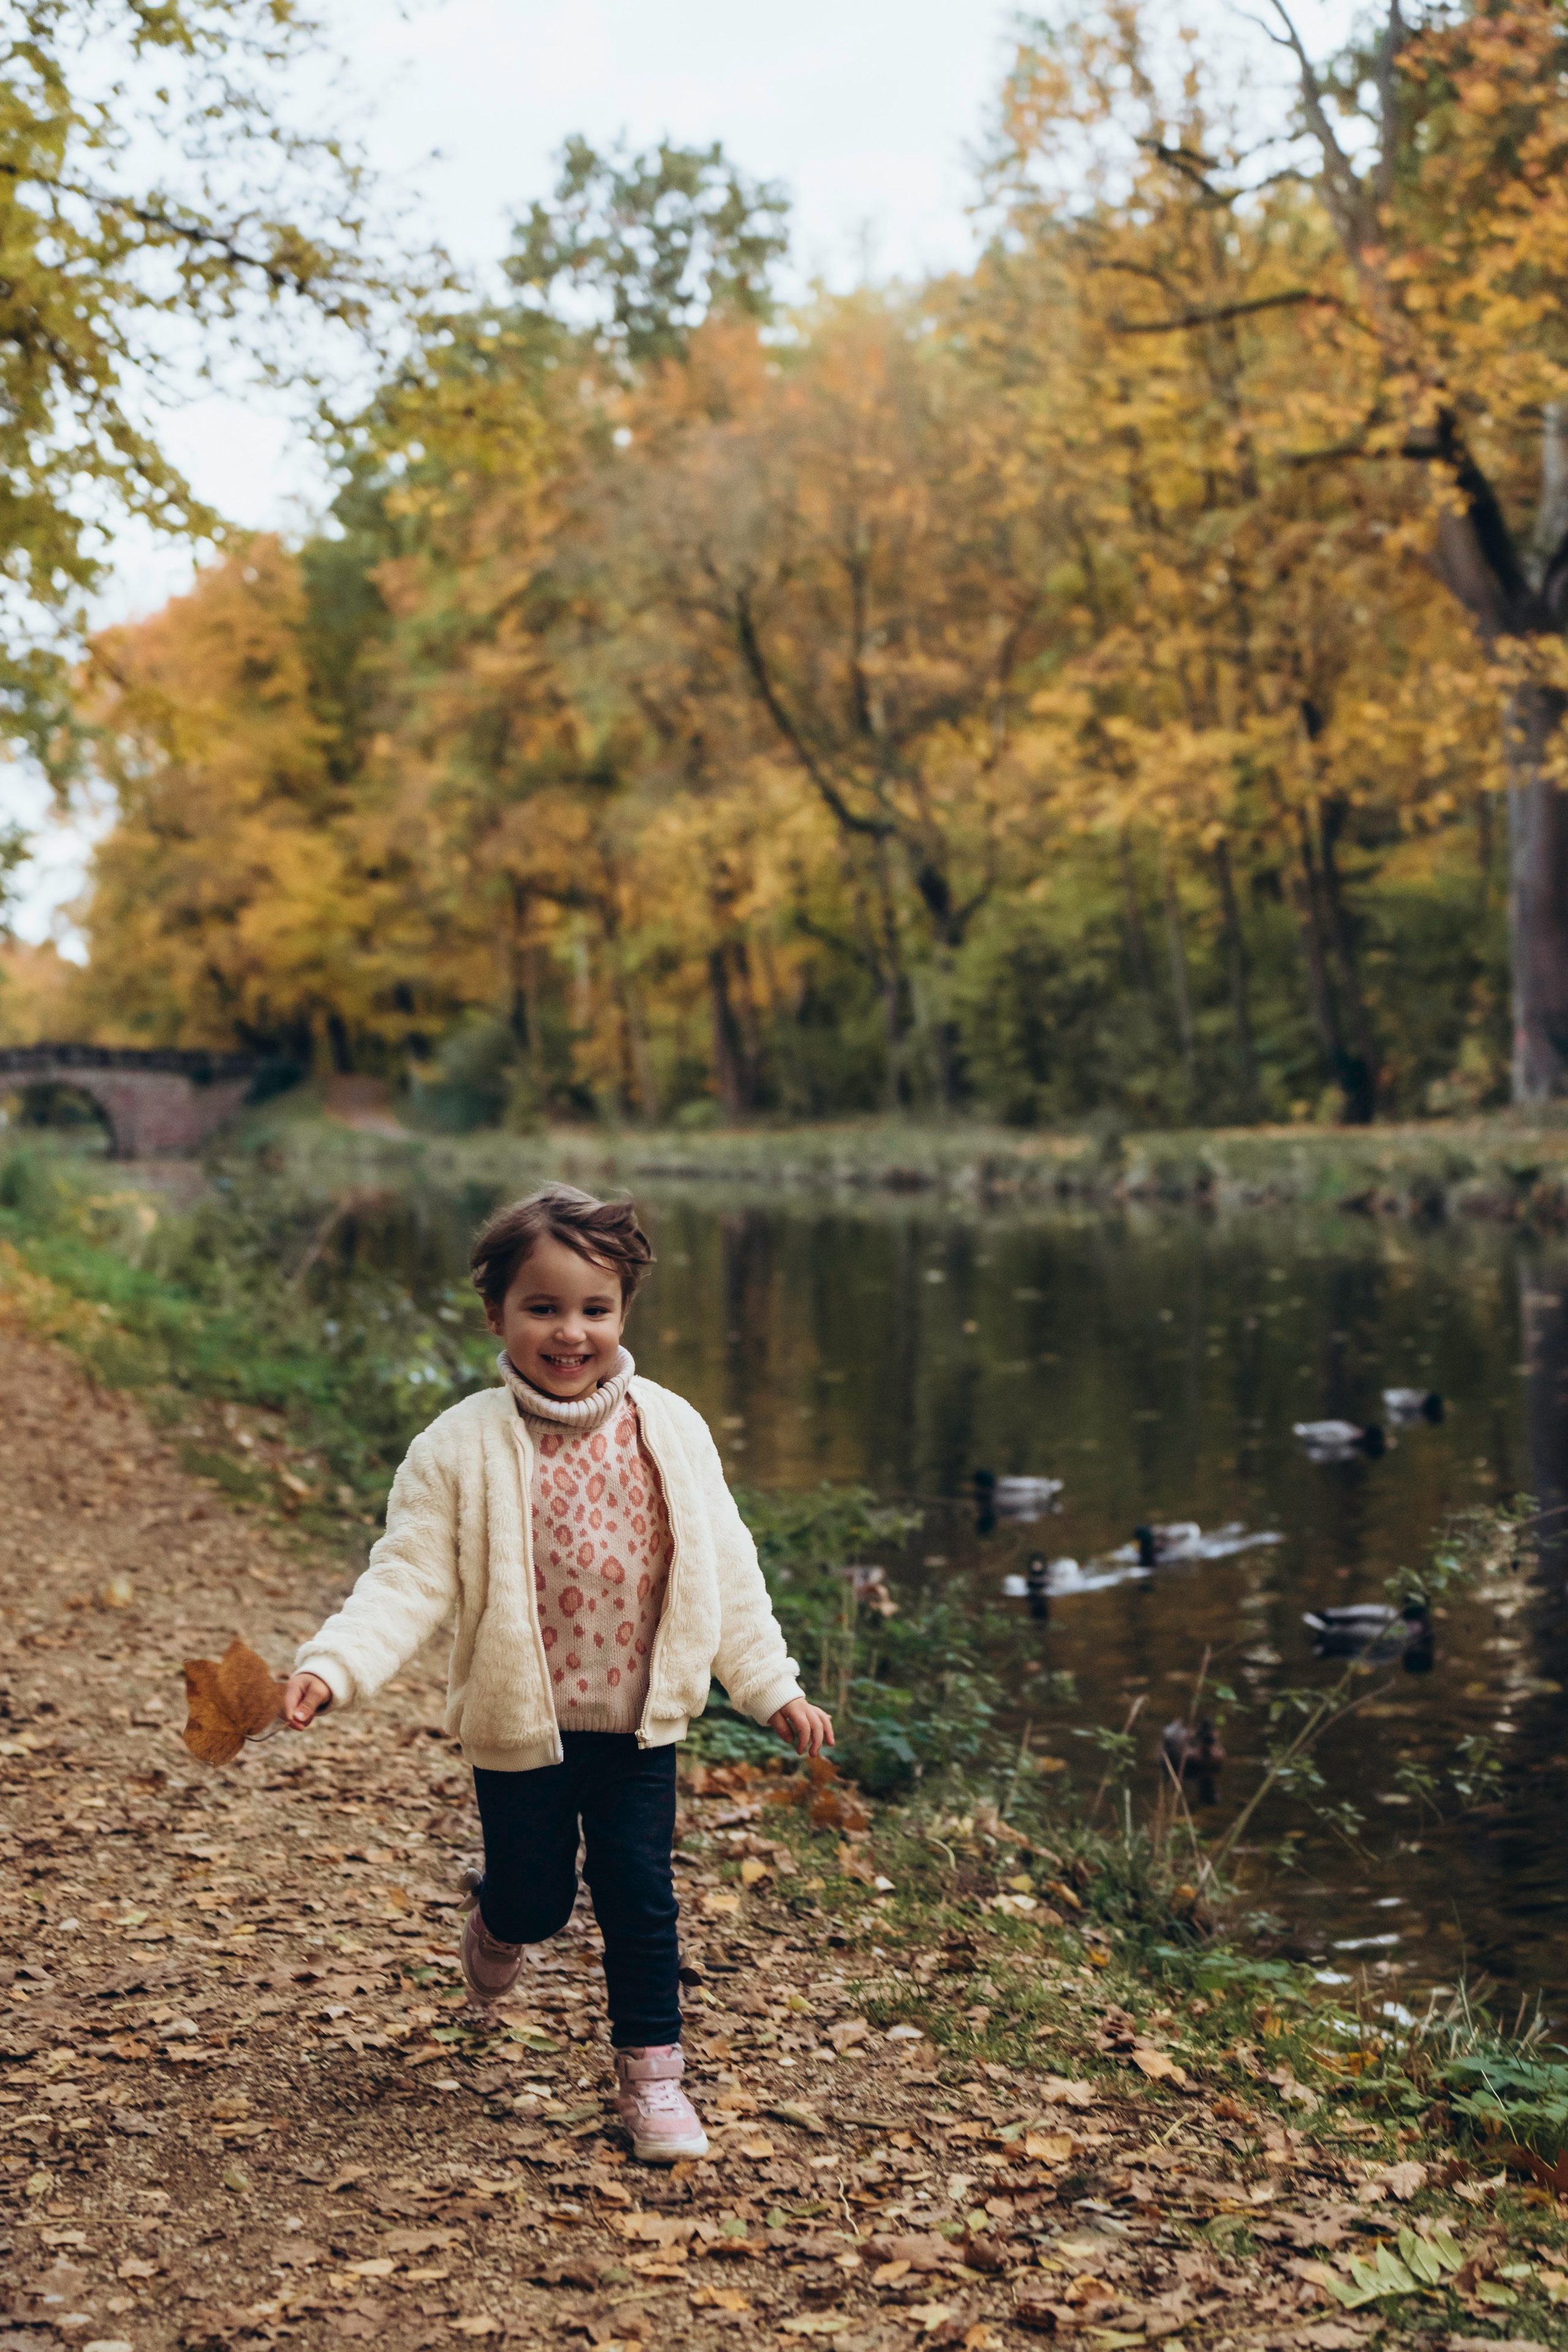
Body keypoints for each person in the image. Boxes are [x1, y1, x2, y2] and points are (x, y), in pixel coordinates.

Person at [281, 1183, 834, 2163]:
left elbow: (728, 1571)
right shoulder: (457, 1448)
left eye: (595, 1309)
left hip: (640, 1727)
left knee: (639, 1894)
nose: (571, 1332)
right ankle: (499, 1923)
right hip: (523, 1729)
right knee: (537, 1898)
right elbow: (405, 1579)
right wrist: (335, 1666)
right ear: (497, 1314)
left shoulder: (672, 1430)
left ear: (624, 1312)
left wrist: (771, 1686)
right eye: (544, 1308)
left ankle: (654, 2081)